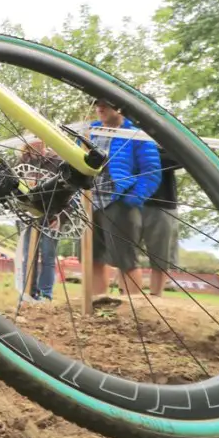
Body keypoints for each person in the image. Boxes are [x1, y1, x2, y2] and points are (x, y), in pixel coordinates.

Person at [89, 98, 161, 304]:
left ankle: (135, 311)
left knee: (125, 260)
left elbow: (152, 171)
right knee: (93, 258)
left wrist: (131, 199)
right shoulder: (89, 130)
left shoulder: (135, 133)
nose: (100, 107)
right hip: (89, 201)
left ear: (119, 107)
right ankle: (96, 304)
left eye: (105, 104)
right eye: (96, 104)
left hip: (119, 202)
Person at [16, 139, 61, 301]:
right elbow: (15, 189)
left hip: (52, 215)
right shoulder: (22, 161)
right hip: (28, 214)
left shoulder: (57, 160)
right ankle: (28, 293)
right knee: (28, 255)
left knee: (48, 255)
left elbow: (68, 190)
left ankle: (45, 295)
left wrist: (59, 215)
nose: (36, 140)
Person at [142, 146, 181, 297]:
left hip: (163, 203)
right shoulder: (126, 133)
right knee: (125, 254)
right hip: (129, 201)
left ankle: (156, 296)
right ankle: (125, 295)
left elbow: (179, 158)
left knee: (161, 256)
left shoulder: (166, 136)